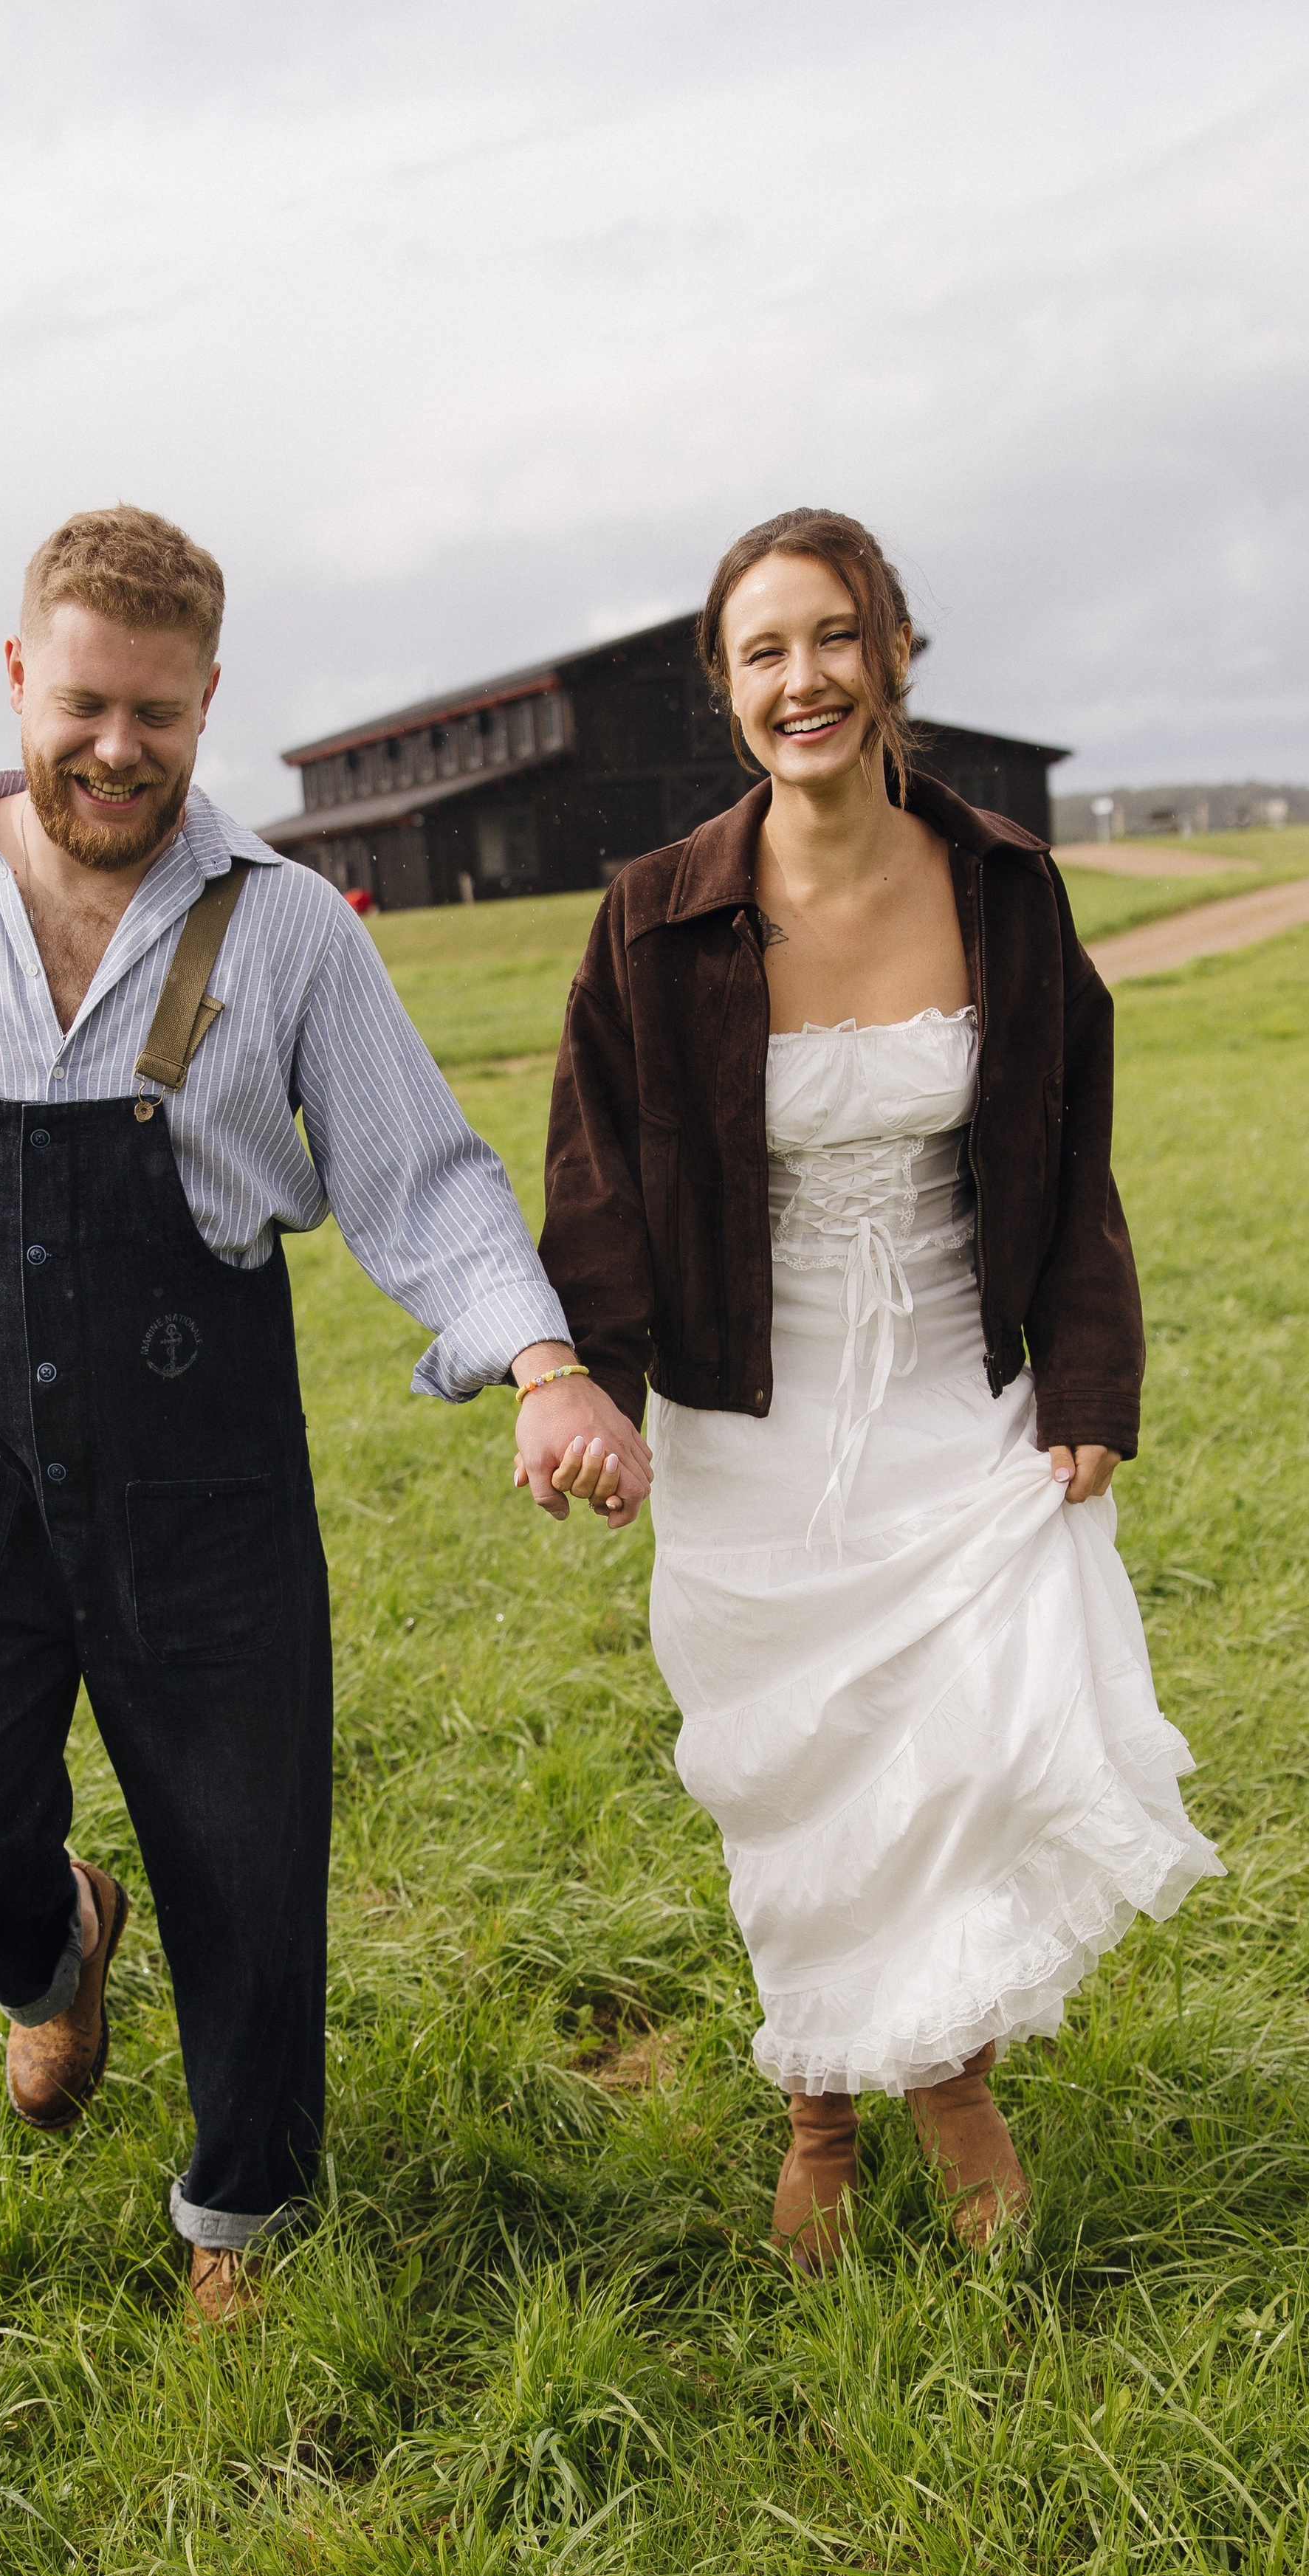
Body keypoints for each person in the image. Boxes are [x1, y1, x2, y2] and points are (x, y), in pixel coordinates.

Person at [0, 506, 646, 2326]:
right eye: (82, 705)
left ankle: (238, 2224)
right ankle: (55, 1949)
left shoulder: (284, 930)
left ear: (208, 700)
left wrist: (536, 1365)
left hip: (204, 1478)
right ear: (15, 680)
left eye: (156, 712)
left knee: (241, 1862)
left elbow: (419, 1180)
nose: (115, 748)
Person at [530, 506, 1220, 2265]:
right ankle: (821, 2110)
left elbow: (1068, 1154)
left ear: (891, 652)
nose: (802, 679)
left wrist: (1085, 1374)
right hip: (744, 1415)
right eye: (763, 651)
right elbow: (598, 1180)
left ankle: (940, 2077)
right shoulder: (650, 918)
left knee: (965, 1749)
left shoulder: (996, 879)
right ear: (726, 688)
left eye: (831, 637)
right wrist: (588, 1387)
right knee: (797, 1773)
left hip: (949, 1386)